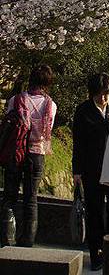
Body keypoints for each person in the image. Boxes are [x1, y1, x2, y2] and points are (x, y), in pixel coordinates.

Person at [72, 73, 109, 271]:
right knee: (94, 211)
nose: (103, 99)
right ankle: (95, 254)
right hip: (92, 169)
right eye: (98, 95)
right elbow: (78, 143)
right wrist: (76, 170)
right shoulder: (83, 111)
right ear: (91, 94)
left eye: (105, 94)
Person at [0, 64, 57, 248]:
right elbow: (46, 132)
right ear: (47, 83)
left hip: (15, 153)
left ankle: (7, 238)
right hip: (36, 153)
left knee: (10, 197)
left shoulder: (16, 100)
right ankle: (28, 241)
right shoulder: (50, 105)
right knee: (31, 199)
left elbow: (7, 125)